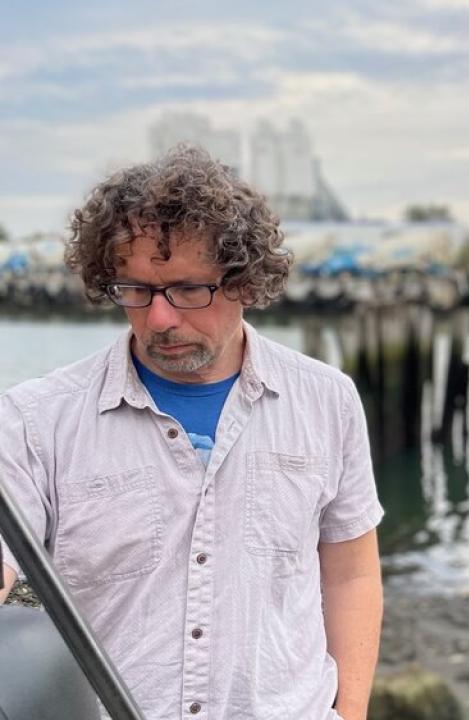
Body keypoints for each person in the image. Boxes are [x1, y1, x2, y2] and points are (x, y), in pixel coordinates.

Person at [0, 145, 384, 719]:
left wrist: (349, 715)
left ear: (246, 283)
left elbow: (351, 572)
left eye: (187, 289)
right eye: (135, 290)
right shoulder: (36, 419)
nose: (159, 317)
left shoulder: (327, 400)